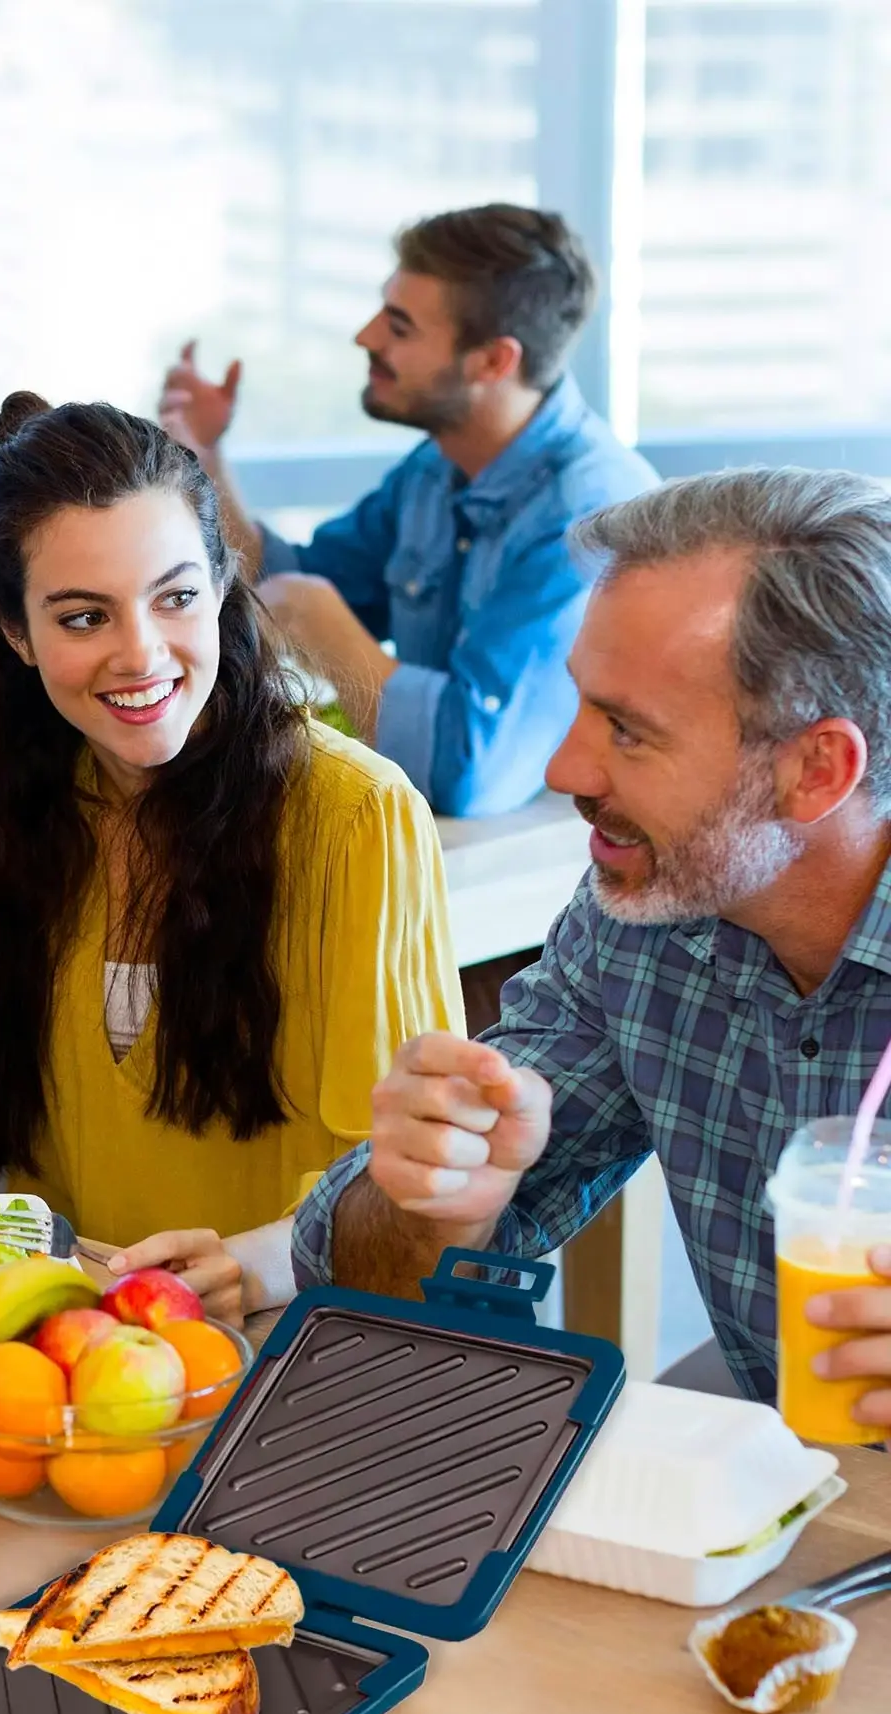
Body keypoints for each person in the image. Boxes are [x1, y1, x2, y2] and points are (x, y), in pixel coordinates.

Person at [0, 395, 463, 1326]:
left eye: (176, 597)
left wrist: (259, 1264)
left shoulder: (360, 818)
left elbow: (399, 1180)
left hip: (289, 1348)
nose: (142, 653)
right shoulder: (5, 808)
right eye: (83, 618)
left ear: (225, 584)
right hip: (58, 1345)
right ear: (14, 631)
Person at [292, 467, 891, 1418]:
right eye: (581, 704)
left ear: (816, 770)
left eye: (629, 731)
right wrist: (430, 1198)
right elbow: (361, 1286)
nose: (565, 765)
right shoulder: (645, 919)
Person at [158, 203, 657, 824]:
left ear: (493, 361)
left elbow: (467, 772)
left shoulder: (587, 515)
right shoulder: (436, 468)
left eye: (399, 326)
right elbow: (270, 581)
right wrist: (203, 455)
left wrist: (321, 622)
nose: (366, 337)